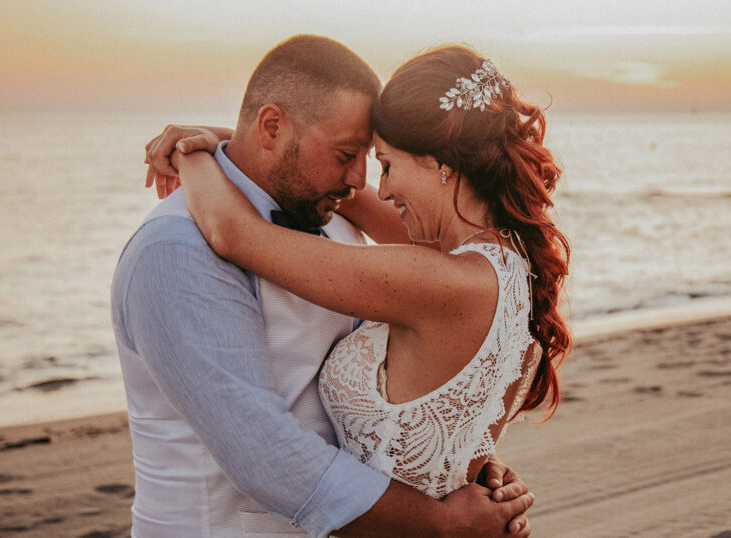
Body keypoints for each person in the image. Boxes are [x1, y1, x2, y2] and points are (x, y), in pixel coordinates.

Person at [115, 35, 534, 538]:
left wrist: (455, 460)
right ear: (271, 127)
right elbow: (264, 452)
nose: (362, 181)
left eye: (376, 160)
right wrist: (441, 514)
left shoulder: (335, 220)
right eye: (346, 153)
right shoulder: (175, 249)